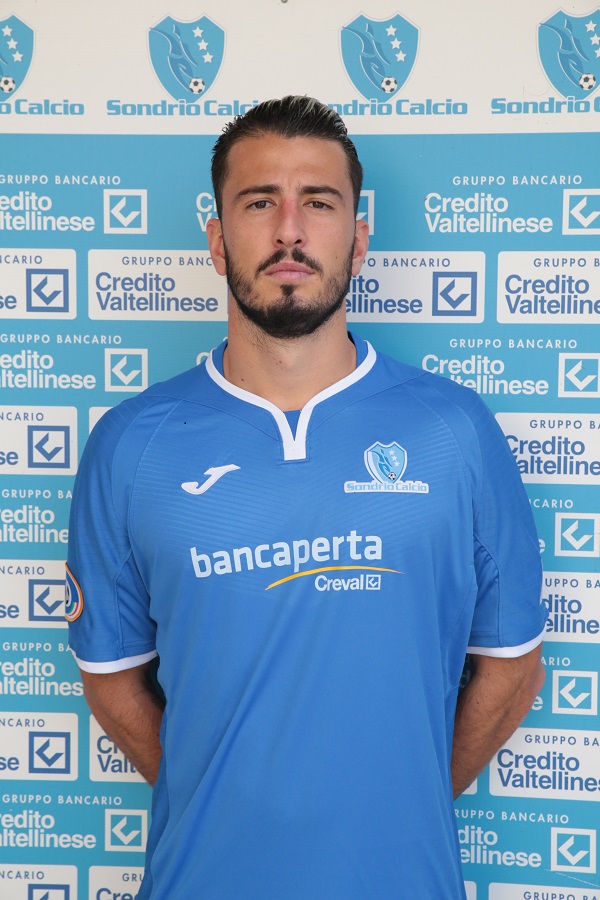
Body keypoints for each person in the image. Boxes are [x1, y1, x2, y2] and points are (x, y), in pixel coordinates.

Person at [66, 95, 547, 899]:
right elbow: (113, 681)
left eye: (318, 203)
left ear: (358, 238)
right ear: (217, 238)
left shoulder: (454, 431)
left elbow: (513, 668)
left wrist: (400, 811)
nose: (289, 230)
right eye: (260, 203)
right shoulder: (130, 445)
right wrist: (219, 800)